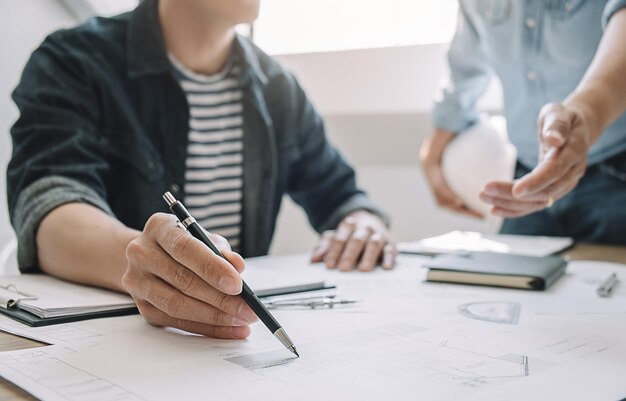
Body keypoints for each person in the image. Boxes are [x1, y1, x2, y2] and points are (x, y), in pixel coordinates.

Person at [6, 0, 396, 340]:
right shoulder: (74, 60)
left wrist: (363, 223)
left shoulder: (279, 90)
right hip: (113, 339)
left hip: (231, 344)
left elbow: (341, 195)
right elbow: (49, 204)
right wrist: (144, 262)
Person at [420, 0, 626, 243]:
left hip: (614, 173)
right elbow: (465, 71)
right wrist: (432, 155)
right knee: (509, 278)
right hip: (527, 180)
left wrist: (584, 114)